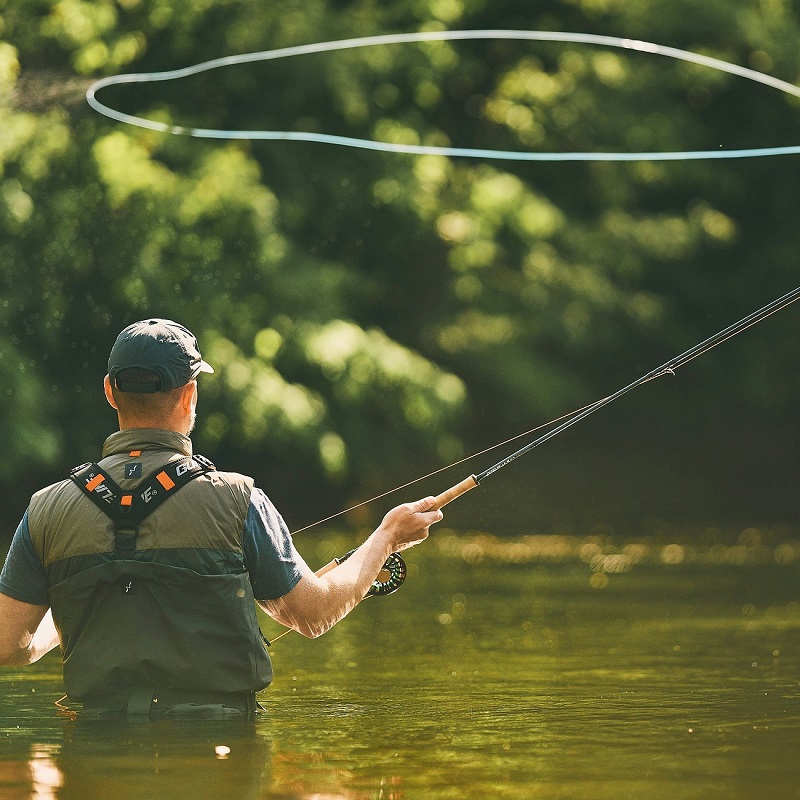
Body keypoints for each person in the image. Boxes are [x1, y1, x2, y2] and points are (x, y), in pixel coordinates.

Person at [0, 319, 442, 718]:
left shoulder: (45, 508)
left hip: (95, 750)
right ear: (190, 394)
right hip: (216, 745)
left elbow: (9, 644)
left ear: (110, 392)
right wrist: (385, 537)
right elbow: (314, 614)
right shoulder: (238, 499)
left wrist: (57, 630)